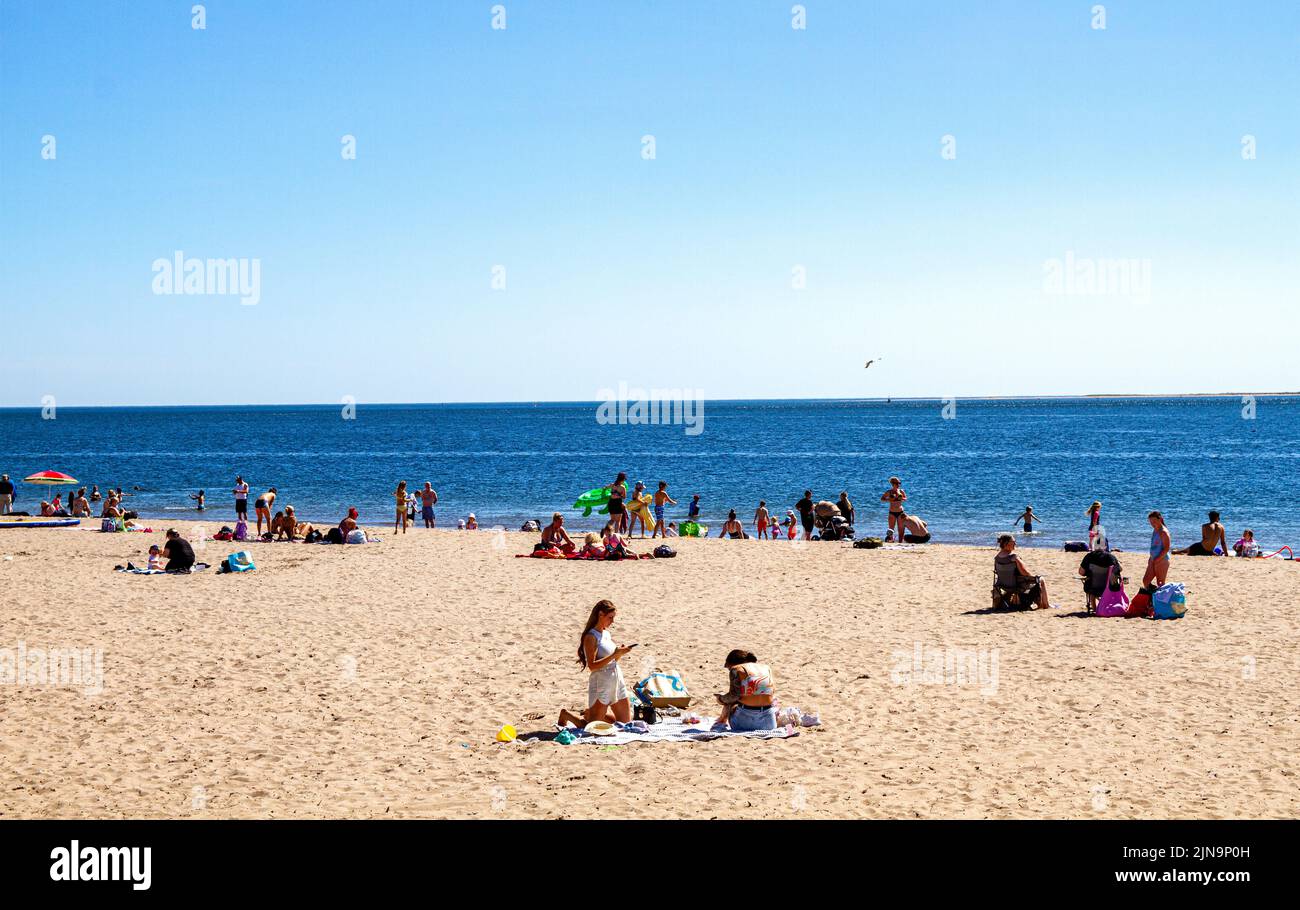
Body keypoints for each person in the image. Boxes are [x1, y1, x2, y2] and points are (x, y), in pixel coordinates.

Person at [557, 600, 634, 728]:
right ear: (600, 614)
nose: (612, 621)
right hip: (602, 682)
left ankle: (591, 713)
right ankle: (566, 715)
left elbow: (612, 660)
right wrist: (614, 655)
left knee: (625, 724)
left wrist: (619, 654)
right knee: (591, 728)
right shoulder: (591, 637)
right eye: (610, 618)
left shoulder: (606, 633)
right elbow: (592, 666)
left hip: (616, 679)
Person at [714, 649, 777, 731]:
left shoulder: (736, 669)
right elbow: (771, 692)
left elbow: (734, 696)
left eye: (728, 666)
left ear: (733, 663)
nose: (727, 667)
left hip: (743, 724)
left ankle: (721, 721)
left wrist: (720, 699)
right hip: (769, 724)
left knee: (730, 701)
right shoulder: (767, 668)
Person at [993, 533, 1050, 610]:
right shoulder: (1014, 557)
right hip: (1016, 586)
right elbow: (1025, 573)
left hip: (1003, 585)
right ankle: (1046, 605)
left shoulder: (997, 558)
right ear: (1006, 543)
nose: (1015, 543)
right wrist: (1033, 577)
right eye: (1013, 542)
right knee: (1041, 579)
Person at [1078, 529, 1122, 613]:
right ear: (1105, 546)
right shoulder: (1110, 557)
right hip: (1109, 587)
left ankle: (1095, 610)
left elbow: (1081, 572)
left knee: (1090, 585)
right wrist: (1118, 562)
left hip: (1093, 588)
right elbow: (1120, 569)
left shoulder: (1089, 557)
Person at [1143, 511, 1172, 589]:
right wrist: (1151, 558)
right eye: (1151, 522)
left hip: (1162, 559)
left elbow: (1166, 548)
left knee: (1160, 583)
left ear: (1160, 519)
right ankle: (1153, 597)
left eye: (1154, 521)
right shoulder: (1155, 529)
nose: (1153, 523)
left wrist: (1157, 559)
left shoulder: (1163, 532)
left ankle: (1160, 599)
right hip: (1153, 559)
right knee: (1146, 581)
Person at [881, 477, 907, 541]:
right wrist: (889, 499)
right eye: (897, 483)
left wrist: (901, 498)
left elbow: (905, 498)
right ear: (893, 484)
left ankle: (900, 542)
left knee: (901, 529)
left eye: (899, 483)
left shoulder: (901, 491)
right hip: (892, 512)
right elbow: (882, 499)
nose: (898, 485)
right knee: (891, 529)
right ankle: (891, 541)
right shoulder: (889, 492)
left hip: (900, 512)